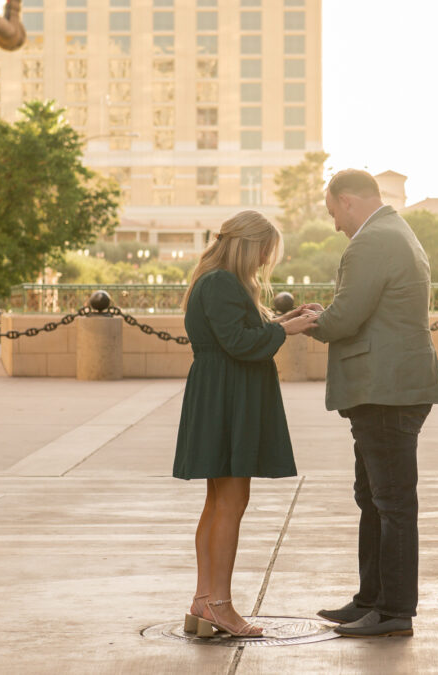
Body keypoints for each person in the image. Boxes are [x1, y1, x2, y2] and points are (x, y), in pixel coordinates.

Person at [302, 170, 438, 638]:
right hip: (393, 387)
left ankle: (392, 612)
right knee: (375, 500)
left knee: (391, 504)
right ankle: (371, 601)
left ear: (347, 202)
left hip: (385, 391)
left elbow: (346, 317)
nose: (335, 225)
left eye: (332, 214)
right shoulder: (396, 231)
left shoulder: (371, 241)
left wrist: (313, 321)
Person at [173, 210, 318, 638]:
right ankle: (219, 604)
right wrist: (286, 331)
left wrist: (282, 323)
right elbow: (238, 344)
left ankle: (204, 601)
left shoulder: (217, 280)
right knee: (231, 503)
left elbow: (234, 333)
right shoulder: (220, 282)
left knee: (219, 504)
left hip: (221, 396)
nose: (263, 262)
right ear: (248, 245)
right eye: (264, 253)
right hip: (227, 399)